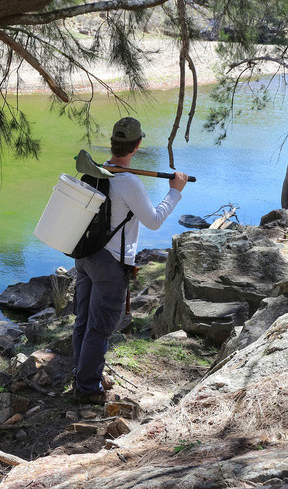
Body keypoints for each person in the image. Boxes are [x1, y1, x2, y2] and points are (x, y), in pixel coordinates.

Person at [72, 117, 188, 404]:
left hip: (84, 255)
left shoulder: (98, 171)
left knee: (84, 320)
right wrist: (175, 191)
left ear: (114, 143)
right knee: (100, 326)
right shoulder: (129, 182)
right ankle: (87, 388)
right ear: (137, 146)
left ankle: (83, 373)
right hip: (109, 263)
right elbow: (154, 221)